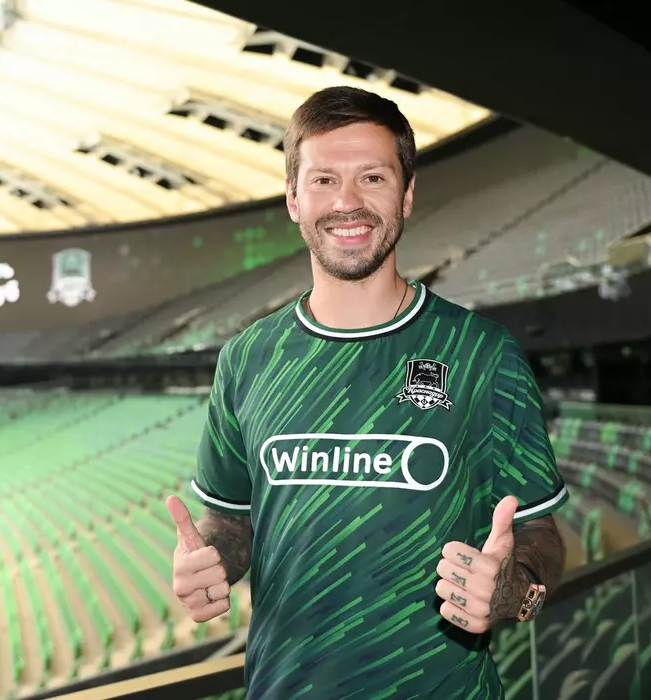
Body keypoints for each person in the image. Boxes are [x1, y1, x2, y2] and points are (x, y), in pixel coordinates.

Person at [166, 85, 568, 698]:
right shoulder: (247, 359)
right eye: (324, 180)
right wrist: (212, 562)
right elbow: (230, 520)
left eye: (373, 178)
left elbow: (543, 538)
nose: (347, 202)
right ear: (293, 199)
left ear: (406, 195)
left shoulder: (482, 354)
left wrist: (514, 594)